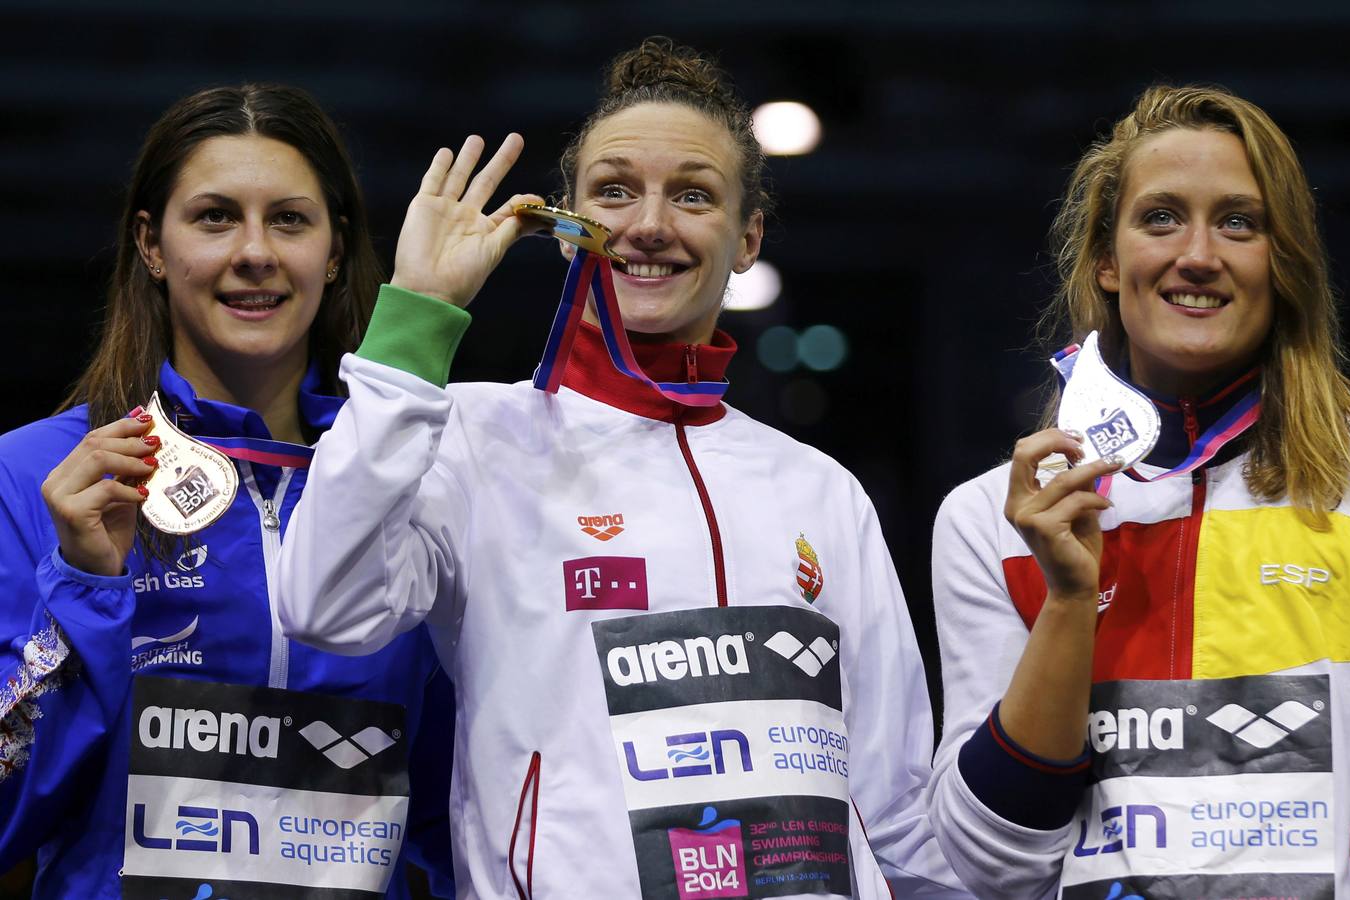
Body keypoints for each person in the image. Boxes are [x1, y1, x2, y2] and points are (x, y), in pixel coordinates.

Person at [276, 37, 968, 899]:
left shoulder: (818, 488)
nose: (647, 225)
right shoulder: (473, 438)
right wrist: (416, 319)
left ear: (747, 236)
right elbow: (322, 604)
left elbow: (894, 806)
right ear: (566, 231)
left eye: (691, 195)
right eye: (613, 192)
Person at [927, 84, 1350, 899]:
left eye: (1238, 222)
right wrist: (1068, 603)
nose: (1197, 254)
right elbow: (994, 860)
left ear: (1280, 259)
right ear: (1105, 262)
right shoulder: (994, 519)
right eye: (1159, 218)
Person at [0, 84, 455, 898]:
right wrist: (85, 590)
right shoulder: (35, 476)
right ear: (151, 244)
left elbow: (468, 811)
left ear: (337, 250)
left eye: (289, 219)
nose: (255, 252)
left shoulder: (418, 481)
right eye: (214, 217)